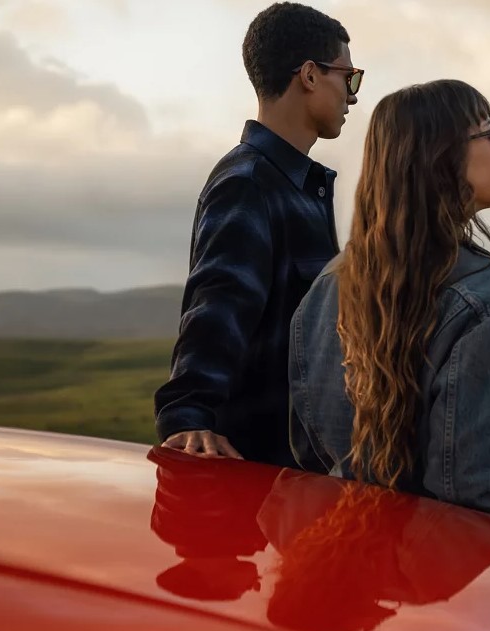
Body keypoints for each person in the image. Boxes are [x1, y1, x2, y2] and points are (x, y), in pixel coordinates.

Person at [288, 79, 490, 532]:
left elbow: (310, 453)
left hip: (351, 569)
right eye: (489, 133)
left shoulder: (325, 289)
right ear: (442, 155)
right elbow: (485, 490)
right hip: (453, 587)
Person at [154, 2, 362, 466]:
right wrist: (188, 417)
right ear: (309, 75)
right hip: (255, 479)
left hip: (296, 475)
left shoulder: (300, 186)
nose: (352, 96)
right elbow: (219, 303)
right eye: (349, 78)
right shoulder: (248, 182)